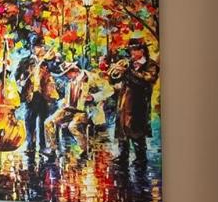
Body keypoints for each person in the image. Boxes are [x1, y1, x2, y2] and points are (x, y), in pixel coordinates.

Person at [108, 36, 160, 181]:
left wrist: (128, 71)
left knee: (136, 131)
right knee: (122, 129)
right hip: (124, 102)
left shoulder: (150, 65)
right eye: (131, 50)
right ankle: (122, 156)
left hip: (138, 103)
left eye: (135, 50)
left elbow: (147, 80)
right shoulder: (130, 64)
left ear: (142, 51)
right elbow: (114, 80)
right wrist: (114, 72)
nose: (132, 53)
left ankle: (140, 159)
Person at [16, 42, 60, 160]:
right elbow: (17, 74)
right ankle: (30, 146)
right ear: (33, 48)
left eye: (41, 46)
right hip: (31, 95)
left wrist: (56, 60)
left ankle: (43, 146)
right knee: (30, 121)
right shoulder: (25, 61)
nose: (40, 49)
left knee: (43, 122)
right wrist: (20, 81)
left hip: (44, 95)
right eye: (37, 46)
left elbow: (55, 69)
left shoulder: (47, 61)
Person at [45, 59, 96, 148]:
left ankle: (85, 148)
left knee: (72, 126)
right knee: (48, 122)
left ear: (74, 70)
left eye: (67, 73)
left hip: (83, 111)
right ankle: (52, 148)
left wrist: (93, 97)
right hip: (68, 110)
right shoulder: (70, 82)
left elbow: (108, 90)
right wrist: (63, 103)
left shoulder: (89, 77)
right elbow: (67, 99)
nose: (66, 76)